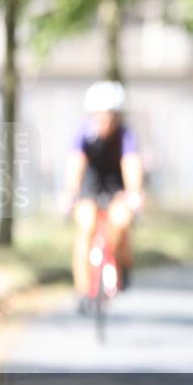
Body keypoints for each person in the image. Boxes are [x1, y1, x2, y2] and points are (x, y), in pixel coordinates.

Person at [62, 81, 144, 308]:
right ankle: (82, 288)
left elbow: (132, 164)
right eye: (101, 116)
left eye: (111, 116)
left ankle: (122, 264)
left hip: (116, 188)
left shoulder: (126, 135)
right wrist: (71, 193)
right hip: (89, 188)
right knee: (86, 226)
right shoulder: (84, 134)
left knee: (121, 222)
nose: (106, 122)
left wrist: (134, 193)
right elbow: (75, 164)